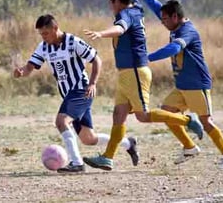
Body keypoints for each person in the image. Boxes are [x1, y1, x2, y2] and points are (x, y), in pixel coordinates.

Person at [82, 0, 204, 171]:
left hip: (136, 72)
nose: (110, 6)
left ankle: (188, 120)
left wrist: (101, 33)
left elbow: (120, 28)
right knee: (119, 116)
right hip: (127, 73)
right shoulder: (133, 4)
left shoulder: (126, 15)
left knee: (144, 116)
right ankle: (108, 157)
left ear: (117, 2)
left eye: (111, 2)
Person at [13, 14, 139, 173]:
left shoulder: (73, 42)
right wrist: (21, 72)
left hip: (81, 90)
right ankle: (129, 143)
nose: (43, 37)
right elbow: (30, 67)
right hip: (69, 95)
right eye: (41, 34)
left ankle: (77, 163)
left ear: (55, 28)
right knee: (88, 138)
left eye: (45, 33)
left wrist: (93, 83)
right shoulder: (44, 47)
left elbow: (96, 60)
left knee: (61, 121)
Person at [137, 0, 223, 169]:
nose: (162, 22)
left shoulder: (187, 31)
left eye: (165, 19)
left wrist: (147, 58)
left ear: (175, 17)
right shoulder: (174, 22)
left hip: (197, 84)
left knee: (206, 121)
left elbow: (174, 49)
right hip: (182, 85)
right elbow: (160, 10)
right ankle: (189, 147)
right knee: (168, 112)